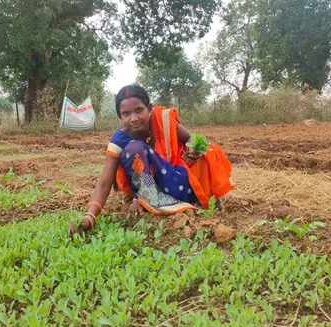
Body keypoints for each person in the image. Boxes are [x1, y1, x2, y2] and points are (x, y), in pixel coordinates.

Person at [70, 85, 235, 234]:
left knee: (207, 150)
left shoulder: (163, 120)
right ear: (120, 116)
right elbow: (104, 183)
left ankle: (205, 197)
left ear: (149, 108)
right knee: (134, 148)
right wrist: (90, 216)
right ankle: (145, 199)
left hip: (177, 177)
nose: (133, 118)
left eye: (138, 110)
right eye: (126, 114)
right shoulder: (120, 139)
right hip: (150, 189)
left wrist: (192, 148)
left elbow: (191, 138)